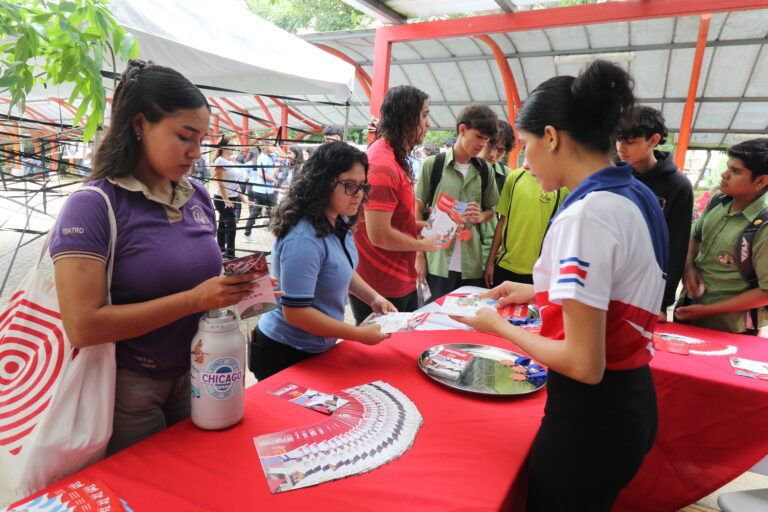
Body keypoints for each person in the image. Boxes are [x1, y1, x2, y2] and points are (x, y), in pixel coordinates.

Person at [451, 60, 668, 511]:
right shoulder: (636, 194)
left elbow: (584, 364)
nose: (524, 161)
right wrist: (536, 291)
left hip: (590, 417)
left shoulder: (586, 215)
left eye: (525, 145)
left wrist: (497, 327)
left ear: (551, 137)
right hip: (631, 400)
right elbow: (619, 285)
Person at [49, 59, 259, 455]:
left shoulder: (197, 196)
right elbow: (83, 326)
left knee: (205, 471)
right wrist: (194, 300)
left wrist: (241, 286)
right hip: (129, 388)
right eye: (185, 136)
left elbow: (196, 277)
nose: (196, 153)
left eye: (202, 139)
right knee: (149, 482)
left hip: (202, 369)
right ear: (140, 124)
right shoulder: (92, 206)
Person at [252, 141, 396, 379]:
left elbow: (341, 268)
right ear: (322, 182)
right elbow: (296, 313)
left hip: (315, 346)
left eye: (362, 186)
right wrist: (358, 335)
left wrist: (374, 298)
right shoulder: (303, 239)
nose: (359, 194)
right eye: (349, 185)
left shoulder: (338, 219)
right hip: (286, 352)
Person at [351, 85, 441, 325]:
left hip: (395, 278)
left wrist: (425, 226)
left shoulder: (392, 156)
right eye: (424, 115)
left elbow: (395, 222)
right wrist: (422, 245)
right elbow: (379, 235)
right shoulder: (382, 164)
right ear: (406, 117)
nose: (428, 124)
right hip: (381, 286)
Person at [675, 138, 768, 335]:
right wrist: (689, 267)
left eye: (736, 171)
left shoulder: (763, 226)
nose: (724, 174)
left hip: (731, 328)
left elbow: (765, 292)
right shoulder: (719, 200)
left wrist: (708, 310)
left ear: (761, 181)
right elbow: (694, 236)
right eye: (728, 167)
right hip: (689, 310)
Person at [617, 106, 693, 322]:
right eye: (618, 139)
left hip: (646, 288)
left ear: (653, 140)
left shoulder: (678, 186)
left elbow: (676, 246)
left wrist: (661, 302)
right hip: (604, 279)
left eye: (630, 141)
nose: (621, 148)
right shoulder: (608, 173)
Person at [415, 104, 500, 299]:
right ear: (462, 129)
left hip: (472, 264)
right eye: (479, 136)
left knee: (466, 315)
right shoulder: (433, 165)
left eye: (486, 140)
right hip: (437, 260)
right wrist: (419, 254)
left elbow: (492, 211)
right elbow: (417, 208)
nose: (482, 144)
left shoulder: (485, 170)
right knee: (434, 313)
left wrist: (480, 217)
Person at [483, 124, 568, 287]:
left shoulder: (561, 186)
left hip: (539, 271)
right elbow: (502, 221)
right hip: (505, 265)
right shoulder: (514, 177)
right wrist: (490, 262)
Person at [477, 120, 514, 265]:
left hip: (487, 253)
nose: (493, 154)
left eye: (501, 150)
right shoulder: (461, 168)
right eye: (490, 145)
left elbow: (508, 218)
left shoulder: (508, 177)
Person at [211, 137, 246, 259]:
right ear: (223, 147)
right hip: (222, 199)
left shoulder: (230, 161)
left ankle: (220, 249)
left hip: (231, 198)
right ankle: (230, 255)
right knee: (231, 227)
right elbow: (221, 183)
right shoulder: (220, 161)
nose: (234, 147)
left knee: (223, 225)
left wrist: (244, 198)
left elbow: (235, 183)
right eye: (231, 145)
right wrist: (226, 200)